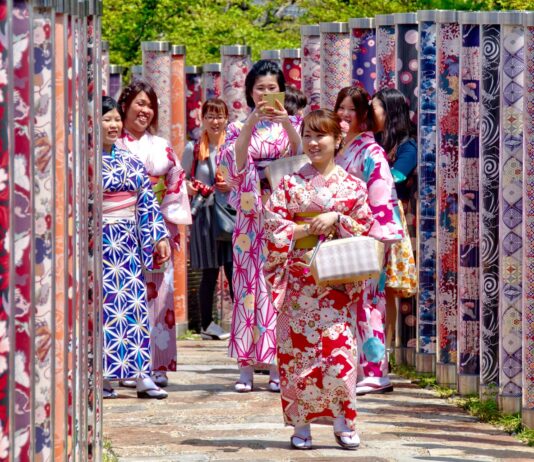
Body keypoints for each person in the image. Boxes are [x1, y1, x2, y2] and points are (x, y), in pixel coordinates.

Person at [264, 109, 374, 450]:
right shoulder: (288, 183)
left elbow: (365, 228)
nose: (312, 142)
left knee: (339, 354)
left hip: (336, 282)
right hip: (299, 281)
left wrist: (338, 217)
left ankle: (343, 421)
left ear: (337, 139)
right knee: (298, 356)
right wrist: (303, 228)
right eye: (308, 135)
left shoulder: (353, 186)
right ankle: (302, 424)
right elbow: (272, 226)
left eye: (320, 136)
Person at [217, 60, 302, 393]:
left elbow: (301, 156)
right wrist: (251, 123)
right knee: (248, 287)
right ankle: (246, 366)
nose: (266, 94)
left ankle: (278, 365)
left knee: (279, 287)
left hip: (282, 213)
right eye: (260, 89)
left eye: (272, 88)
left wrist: (289, 125)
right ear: (250, 93)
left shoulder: (292, 122)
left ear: (281, 89)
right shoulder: (239, 127)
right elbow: (235, 164)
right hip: (251, 215)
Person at [118, 81, 190, 388]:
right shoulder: (112, 145)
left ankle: (156, 364)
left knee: (159, 298)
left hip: (158, 227)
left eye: (149, 105)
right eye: (139, 103)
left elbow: (175, 184)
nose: (144, 110)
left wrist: (164, 226)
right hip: (120, 229)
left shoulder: (161, 146)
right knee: (124, 298)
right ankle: (124, 364)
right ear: (124, 106)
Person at [334, 86, 404, 395]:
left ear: (365, 116)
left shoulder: (371, 151)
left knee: (370, 303)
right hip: (346, 235)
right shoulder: (343, 148)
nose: (345, 114)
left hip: (368, 236)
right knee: (352, 303)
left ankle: (377, 371)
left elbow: (380, 197)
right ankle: (361, 366)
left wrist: (378, 236)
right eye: (341, 108)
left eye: (353, 109)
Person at [101, 96, 170, 399]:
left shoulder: (129, 160)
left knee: (134, 308)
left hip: (127, 244)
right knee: (101, 310)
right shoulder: (79, 162)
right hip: (97, 244)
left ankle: (141, 374)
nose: (114, 125)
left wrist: (159, 236)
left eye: (116, 119)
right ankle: (99, 376)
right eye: (107, 119)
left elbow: (146, 202)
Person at [182, 98, 233, 340]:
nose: (215, 121)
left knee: (235, 270)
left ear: (227, 119)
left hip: (231, 214)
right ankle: (207, 325)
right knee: (209, 272)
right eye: (210, 116)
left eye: (220, 116)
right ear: (202, 119)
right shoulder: (192, 149)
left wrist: (231, 185)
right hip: (205, 215)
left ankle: (241, 323)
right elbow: (179, 180)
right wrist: (189, 188)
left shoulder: (233, 146)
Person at [371, 88, 418, 352]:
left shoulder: (406, 145)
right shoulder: (371, 140)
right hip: (366, 216)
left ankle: (384, 351)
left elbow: (395, 176)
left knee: (385, 286)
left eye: (374, 108)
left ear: (388, 112)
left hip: (389, 217)